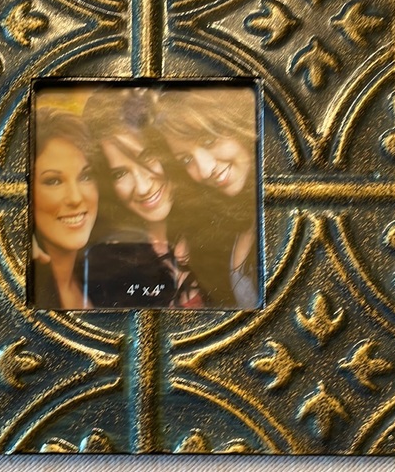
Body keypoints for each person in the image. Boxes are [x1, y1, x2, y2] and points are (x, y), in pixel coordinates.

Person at [83, 87, 203, 308]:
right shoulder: (108, 262)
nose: (142, 187)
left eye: (147, 156)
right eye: (120, 174)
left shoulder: (219, 228)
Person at [154, 86, 259, 309]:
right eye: (186, 159)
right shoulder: (230, 225)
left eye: (209, 140)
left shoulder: (287, 218)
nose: (204, 170)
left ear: (239, 121)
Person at [31, 109, 99, 310]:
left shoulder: (102, 278)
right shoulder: (20, 287)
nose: (75, 198)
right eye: (53, 181)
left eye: (85, 176)